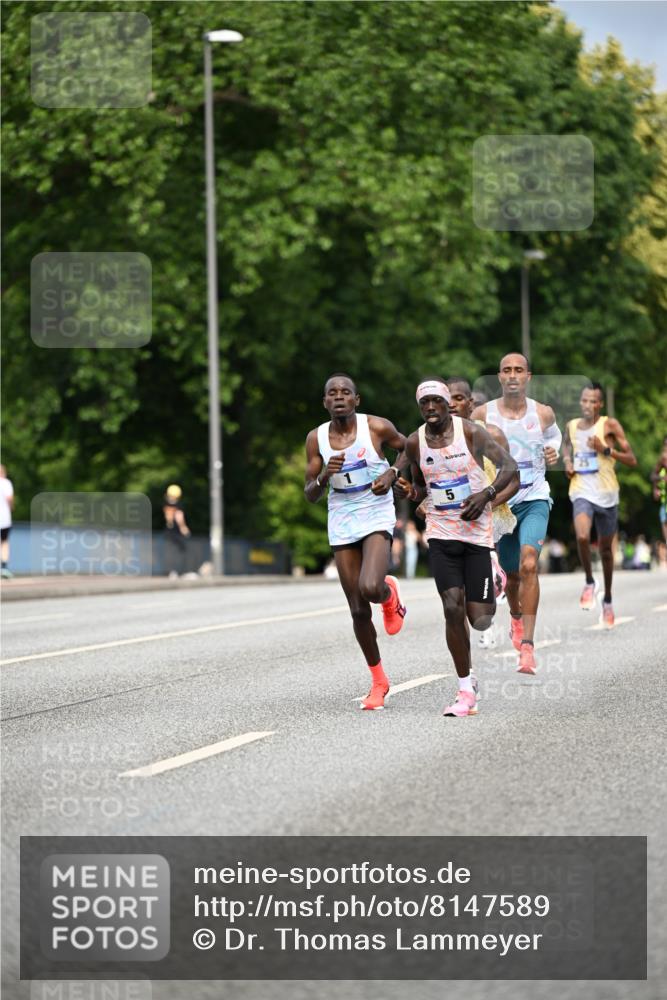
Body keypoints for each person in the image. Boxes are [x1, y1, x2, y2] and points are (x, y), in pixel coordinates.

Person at [395, 377, 518, 717]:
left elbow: (510, 467)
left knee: (479, 619)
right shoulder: (414, 442)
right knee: (452, 607)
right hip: (441, 533)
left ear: (448, 402)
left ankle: (493, 576)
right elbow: (422, 487)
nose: (431, 408)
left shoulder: (471, 433)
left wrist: (486, 494)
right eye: (425, 403)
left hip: (477, 534)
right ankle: (465, 686)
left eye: (437, 401)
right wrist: (411, 493)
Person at [304, 373, 407, 710]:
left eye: (345, 392)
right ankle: (378, 682)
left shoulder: (375, 427)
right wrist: (323, 476)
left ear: (356, 400)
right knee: (358, 609)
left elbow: (410, 448)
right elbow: (310, 495)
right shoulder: (316, 439)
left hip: (375, 508)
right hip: (342, 513)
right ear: (324, 402)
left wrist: (392, 474)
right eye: (332, 393)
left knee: (371, 586)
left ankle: (389, 595)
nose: (339, 397)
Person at [471, 353, 561, 675]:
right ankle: (515, 616)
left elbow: (554, 438)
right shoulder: (484, 413)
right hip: (502, 502)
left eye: (518, 370)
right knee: (510, 576)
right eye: (507, 370)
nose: (512, 376)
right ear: (499, 376)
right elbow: (470, 447)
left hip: (535, 497)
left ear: (528, 376)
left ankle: (528, 648)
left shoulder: (543, 413)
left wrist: (555, 451)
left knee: (529, 564)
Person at [444, 378, 519, 649]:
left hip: (491, 516)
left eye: (458, 399)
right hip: (453, 520)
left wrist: (487, 501)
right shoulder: (437, 437)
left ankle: (490, 611)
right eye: (447, 398)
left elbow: (514, 479)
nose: (451, 404)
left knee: (484, 579)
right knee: (458, 586)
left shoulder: (492, 434)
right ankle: (481, 612)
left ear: (472, 405)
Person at [562, 383, 637, 627]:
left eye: (592, 401)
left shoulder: (610, 425)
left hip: (607, 494)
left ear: (600, 404)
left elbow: (632, 459)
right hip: (581, 490)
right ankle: (589, 581)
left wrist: (606, 449)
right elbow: (565, 447)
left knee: (606, 551)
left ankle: (608, 599)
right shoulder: (571, 426)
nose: (587, 405)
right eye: (584, 400)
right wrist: (567, 463)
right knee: (582, 537)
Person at [163, 484, 191, 577]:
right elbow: (179, 516)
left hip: (168, 531)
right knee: (182, 550)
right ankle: (180, 571)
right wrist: (183, 527)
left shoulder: (166, 505)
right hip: (176, 531)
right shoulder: (178, 505)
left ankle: (171, 571)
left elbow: (168, 517)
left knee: (170, 551)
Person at [651, 435, 667, 544]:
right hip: (664, 503)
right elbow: (653, 476)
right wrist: (655, 489)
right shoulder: (662, 459)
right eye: (665, 445)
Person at [0, 465, 14, 579]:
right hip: (4, 518)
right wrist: (11, 507)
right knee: (4, 542)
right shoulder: (6, 483)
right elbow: (9, 498)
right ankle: (4, 567)